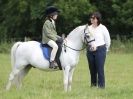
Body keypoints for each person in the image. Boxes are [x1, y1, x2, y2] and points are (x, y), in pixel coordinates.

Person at [86, 11, 111, 88]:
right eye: (91, 18)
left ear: (97, 19)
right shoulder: (88, 28)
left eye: (93, 18)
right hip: (90, 50)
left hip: (100, 50)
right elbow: (86, 39)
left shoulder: (103, 28)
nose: (91, 19)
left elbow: (107, 40)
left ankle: (101, 86)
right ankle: (93, 85)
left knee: (100, 69)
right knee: (92, 69)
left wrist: (105, 50)